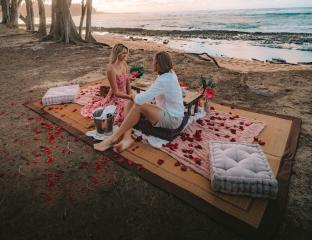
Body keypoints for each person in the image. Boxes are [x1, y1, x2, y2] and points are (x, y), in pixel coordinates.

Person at [94, 51, 184, 152]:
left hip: (172, 119)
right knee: (130, 103)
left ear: (158, 64)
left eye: (154, 61)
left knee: (138, 105)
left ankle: (113, 138)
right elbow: (151, 93)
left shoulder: (164, 80)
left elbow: (140, 100)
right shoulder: (169, 73)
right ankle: (127, 138)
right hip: (164, 111)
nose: (152, 63)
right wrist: (134, 97)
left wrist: (133, 95)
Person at [80, 43, 134, 126]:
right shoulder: (110, 69)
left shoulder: (124, 64)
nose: (125, 55)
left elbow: (127, 81)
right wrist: (129, 97)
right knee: (122, 114)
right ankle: (98, 121)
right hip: (117, 96)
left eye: (126, 53)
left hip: (126, 94)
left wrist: (130, 94)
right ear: (117, 53)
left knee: (136, 106)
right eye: (123, 53)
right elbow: (116, 92)